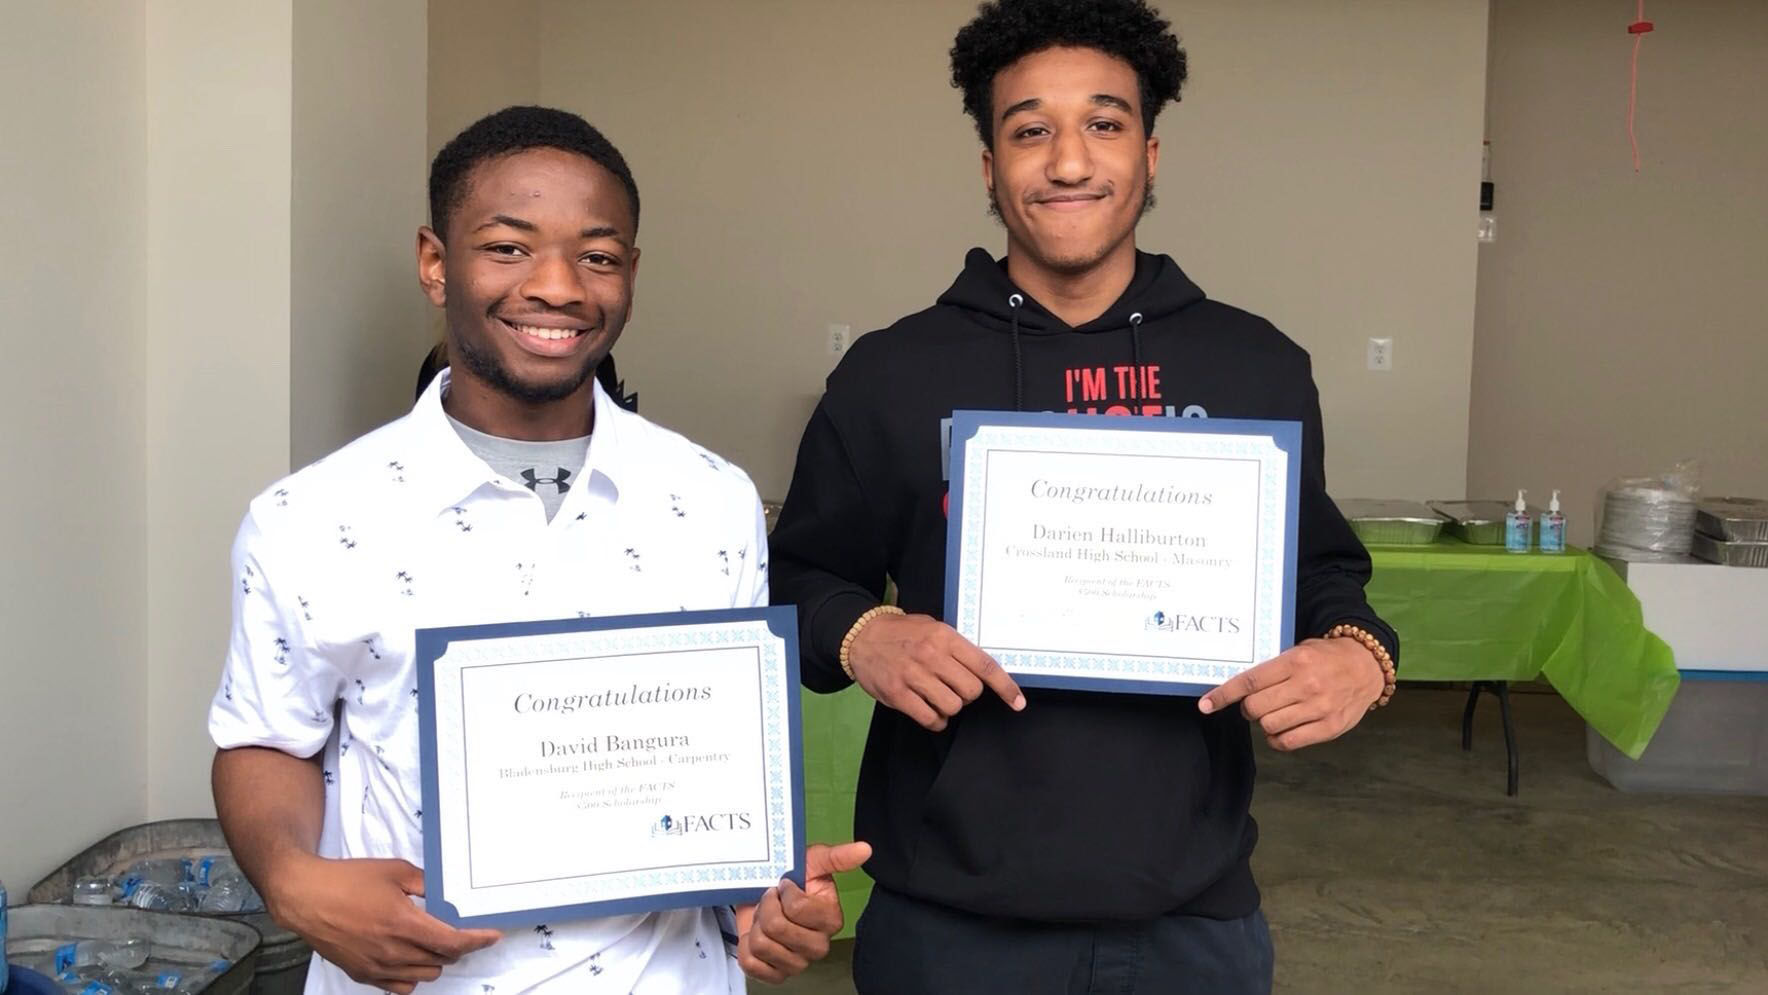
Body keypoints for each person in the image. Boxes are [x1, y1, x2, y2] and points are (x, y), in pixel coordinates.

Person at [768, 2, 1399, 992]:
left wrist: (1360, 655)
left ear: (1149, 153)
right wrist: (861, 634)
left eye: (1103, 124)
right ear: (990, 167)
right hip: (949, 925)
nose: (1068, 162)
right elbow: (794, 580)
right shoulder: (891, 374)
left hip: (1191, 920)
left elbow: (1320, 573)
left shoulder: (1255, 366)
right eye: (1031, 130)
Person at [209, 105, 862, 994]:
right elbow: (263, 737)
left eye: (597, 256)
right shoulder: (309, 517)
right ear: (435, 263)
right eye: (508, 247)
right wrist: (292, 882)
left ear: (631, 274)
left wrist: (762, 901)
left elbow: (721, 769)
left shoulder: (713, 500)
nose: (558, 286)